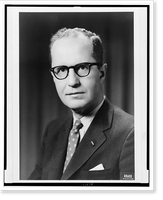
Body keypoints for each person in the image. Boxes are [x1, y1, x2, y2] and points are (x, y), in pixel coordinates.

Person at [28, 27, 134, 180]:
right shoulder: (53, 131)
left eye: (82, 67)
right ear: (53, 76)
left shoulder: (131, 133)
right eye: (61, 70)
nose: (72, 82)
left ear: (102, 73)